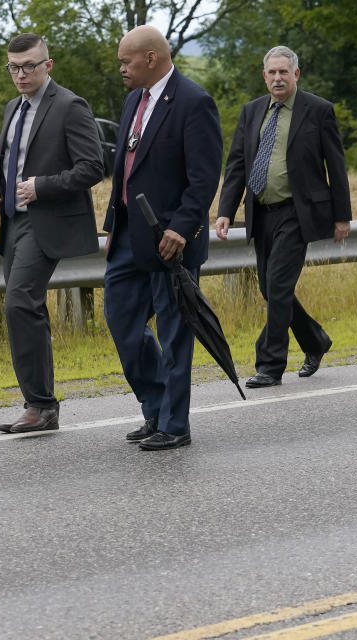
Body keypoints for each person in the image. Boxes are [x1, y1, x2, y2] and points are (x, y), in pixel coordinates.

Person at [102, 25, 223, 451]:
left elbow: (204, 178)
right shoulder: (134, 99)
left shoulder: (193, 102)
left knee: (174, 333)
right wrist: (113, 222)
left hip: (171, 240)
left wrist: (181, 227)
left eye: (126, 61)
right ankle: (154, 406)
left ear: (151, 59)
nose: (121, 68)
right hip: (128, 238)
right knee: (121, 321)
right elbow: (127, 167)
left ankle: (174, 424)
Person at [0, 33, 104, 433]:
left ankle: (40, 405)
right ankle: (40, 405)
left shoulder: (70, 106)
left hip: (47, 222)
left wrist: (41, 186)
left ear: (47, 65)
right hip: (13, 223)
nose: (20, 74)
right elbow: (0, 168)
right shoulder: (11, 109)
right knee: (22, 308)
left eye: (29, 66)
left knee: (19, 302)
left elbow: (92, 167)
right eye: (13, 67)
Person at [216, 45, 352, 388]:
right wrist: (225, 212)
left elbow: (336, 166)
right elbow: (236, 166)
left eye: (283, 72)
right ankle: (315, 341)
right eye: (272, 73)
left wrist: (342, 216)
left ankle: (270, 364)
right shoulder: (251, 112)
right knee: (270, 287)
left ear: (296, 74)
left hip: (298, 212)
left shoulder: (318, 110)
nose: (278, 78)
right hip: (261, 213)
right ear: (264, 76)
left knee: (277, 286)